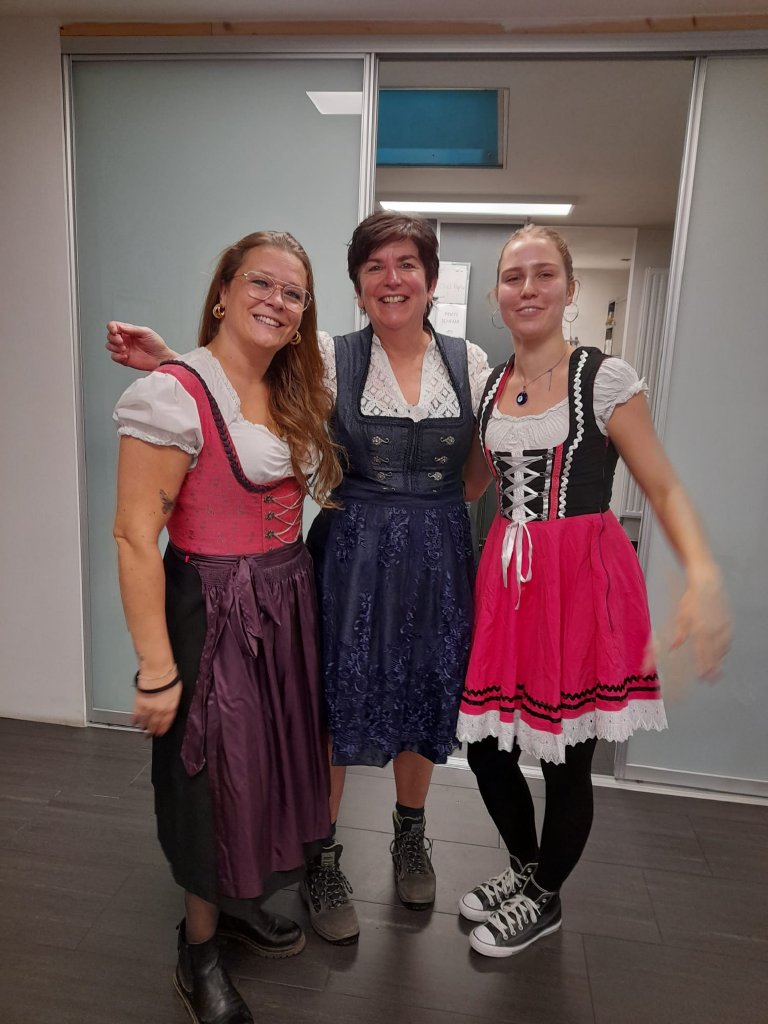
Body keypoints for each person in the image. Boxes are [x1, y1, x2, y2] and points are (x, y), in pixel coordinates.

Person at [106, 212, 493, 947]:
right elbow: (234, 385)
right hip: (349, 552)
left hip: (433, 554)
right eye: (374, 267)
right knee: (332, 704)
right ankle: (322, 857)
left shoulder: (468, 362)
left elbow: (477, 473)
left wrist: (434, 514)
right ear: (356, 286)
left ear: (432, 279)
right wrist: (173, 362)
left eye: (407, 264)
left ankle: (410, 833)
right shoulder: (325, 357)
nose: (391, 279)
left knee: (424, 687)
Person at [454, 224, 731, 957]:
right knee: (486, 749)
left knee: (564, 757)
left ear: (570, 289)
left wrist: (701, 573)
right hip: (506, 582)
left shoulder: (603, 379)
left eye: (544, 274)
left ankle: (545, 897)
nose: (528, 288)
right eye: (514, 276)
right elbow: (473, 483)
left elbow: (662, 487)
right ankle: (527, 866)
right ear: (498, 293)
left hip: (578, 580)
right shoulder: (489, 386)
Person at [112, 230, 342, 1023]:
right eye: (260, 283)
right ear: (223, 292)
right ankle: (198, 949)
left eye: (293, 293)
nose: (276, 301)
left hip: (285, 602)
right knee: (213, 779)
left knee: (267, 767)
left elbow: (237, 414)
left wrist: (176, 356)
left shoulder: (287, 384)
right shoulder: (169, 396)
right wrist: (156, 669)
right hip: (214, 609)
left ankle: (237, 906)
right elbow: (134, 535)